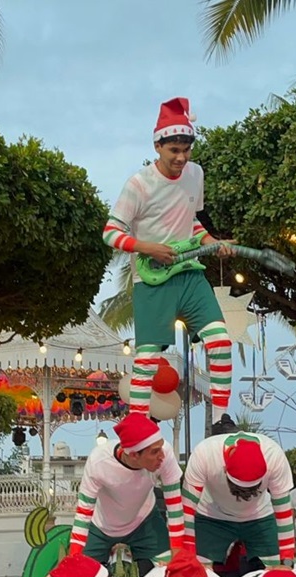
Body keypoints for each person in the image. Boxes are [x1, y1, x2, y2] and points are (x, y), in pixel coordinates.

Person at [103, 96, 234, 426]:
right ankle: (137, 422)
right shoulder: (138, 184)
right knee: (148, 358)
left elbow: (191, 221)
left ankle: (221, 419)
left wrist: (211, 242)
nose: (181, 157)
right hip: (151, 278)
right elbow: (110, 232)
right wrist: (147, 247)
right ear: (157, 146)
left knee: (220, 340)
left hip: (189, 274)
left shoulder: (196, 174)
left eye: (186, 149)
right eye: (174, 150)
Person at [70, 413, 183, 576]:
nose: (162, 456)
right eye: (154, 452)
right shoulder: (98, 462)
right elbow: (83, 512)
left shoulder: (164, 454)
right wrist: (74, 557)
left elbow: (175, 507)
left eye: (161, 446)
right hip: (102, 527)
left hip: (145, 521)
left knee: (170, 575)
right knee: (80, 576)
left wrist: (178, 555)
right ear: (134, 455)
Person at [182, 432, 295, 572]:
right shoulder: (205, 454)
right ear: (224, 469)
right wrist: (186, 555)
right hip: (211, 517)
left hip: (260, 517)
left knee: (275, 574)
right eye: (238, 490)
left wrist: (287, 561)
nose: (241, 498)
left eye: (251, 491)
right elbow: (186, 511)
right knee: (198, 573)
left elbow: (284, 513)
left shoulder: (274, 457)